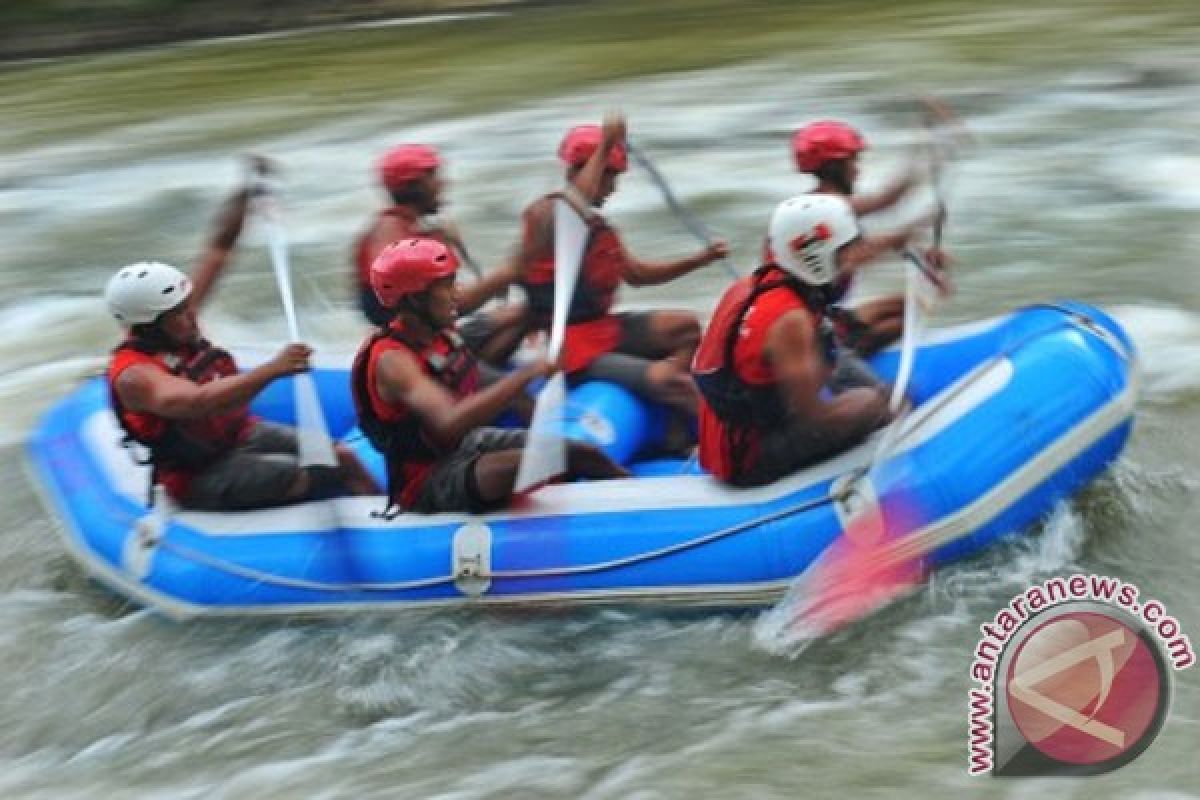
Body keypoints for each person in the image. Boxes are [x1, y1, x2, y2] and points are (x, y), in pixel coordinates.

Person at [106, 183, 378, 511]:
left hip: (241, 435)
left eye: (189, 305)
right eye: (180, 313)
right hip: (200, 473)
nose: (193, 317)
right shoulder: (135, 376)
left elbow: (219, 249)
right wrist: (274, 369)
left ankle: (385, 518)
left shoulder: (175, 321)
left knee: (343, 457)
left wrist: (248, 195)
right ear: (148, 325)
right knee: (314, 475)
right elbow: (196, 402)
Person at [352, 237, 627, 514]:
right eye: (446, 286)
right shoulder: (393, 361)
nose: (456, 293)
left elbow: (478, 364)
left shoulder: (438, 333)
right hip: (427, 481)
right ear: (415, 298)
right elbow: (449, 423)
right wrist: (528, 373)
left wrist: (533, 313)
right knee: (543, 461)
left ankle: (641, 500)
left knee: (582, 452)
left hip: (465, 446)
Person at [693, 194, 933, 487]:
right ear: (815, 256)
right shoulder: (790, 320)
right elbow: (812, 419)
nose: (851, 259)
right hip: (750, 458)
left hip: (733, 436)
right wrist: (880, 409)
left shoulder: (755, 285)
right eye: (843, 251)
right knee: (873, 402)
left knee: (877, 390)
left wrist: (910, 235)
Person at [512, 114, 729, 418]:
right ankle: (677, 399)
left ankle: (666, 412)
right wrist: (606, 145)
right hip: (571, 349)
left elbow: (638, 275)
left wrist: (700, 259)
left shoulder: (598, 227)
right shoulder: (546, 214)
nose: (613, 188)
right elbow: (573, 201)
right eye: (609, 177)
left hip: (605, 330)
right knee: (672, 382)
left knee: (687, 327)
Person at [353, 143, 527, 365]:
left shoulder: (415, 231)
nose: (443, 184)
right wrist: (507, 273)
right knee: (520, 312)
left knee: (520, 313)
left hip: (435, 339)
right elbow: (444, 307)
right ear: (414, 186)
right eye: (434, 177)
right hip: (417, 353)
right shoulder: (391, 234)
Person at [790, 119, 947, 355]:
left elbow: (865, 244)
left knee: (908, 307)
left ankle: (848, 349)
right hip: (808, 329)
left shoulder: (824, 207)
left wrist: (923, 262)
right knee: (899, 320)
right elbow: (888, 201)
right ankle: (841, 363)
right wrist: (926, 143)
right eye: (853, 161)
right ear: (835, 167)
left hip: (824, 314)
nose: (857, 170)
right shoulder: (826, 207)